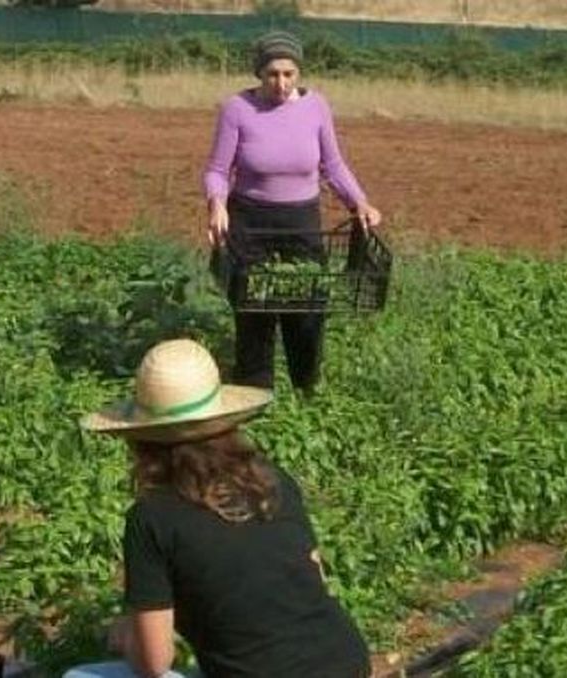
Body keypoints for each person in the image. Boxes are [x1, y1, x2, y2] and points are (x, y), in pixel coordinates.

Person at [67, 338, 371, 678]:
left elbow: (154, 663)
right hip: (348, 663)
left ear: (141, 440)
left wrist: (127, 636)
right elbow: (311, 575)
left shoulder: (151, 518)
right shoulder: (274, 481)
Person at [203, 31, 383, 396]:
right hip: (251, 221)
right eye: (272, 74)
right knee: (254, 309)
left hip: (301, 221)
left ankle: (307, 389)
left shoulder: (316, 107)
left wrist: (359, 201)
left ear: (298, 72)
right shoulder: (237, 109)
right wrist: (216, 203)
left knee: (306, 308)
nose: (281, 83)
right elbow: (217, 170)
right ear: (259, 73)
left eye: (289, 73)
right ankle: (253, 394)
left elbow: (333, 165)